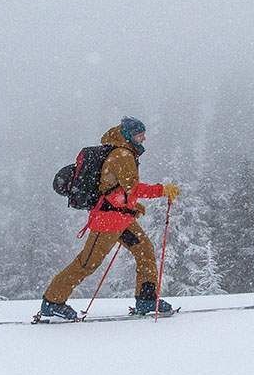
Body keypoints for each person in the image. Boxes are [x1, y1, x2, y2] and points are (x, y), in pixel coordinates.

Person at [40, 117, 182, 320]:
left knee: (144, 249)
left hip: (120, 220)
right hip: (107, 223)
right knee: (87, 263)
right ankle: (52, 301)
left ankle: (147, 298)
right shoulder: (122, 155)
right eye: (139, 134)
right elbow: (134, 187)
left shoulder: (124, 152)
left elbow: (117, 188)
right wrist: (162, 190)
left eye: (143, 133)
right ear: (127, 135)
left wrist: (131, 206)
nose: (143, 138)